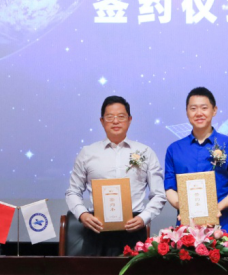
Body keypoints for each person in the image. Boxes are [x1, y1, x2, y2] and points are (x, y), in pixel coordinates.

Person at [65, 95, 166, 256]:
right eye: (110, 117)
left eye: (121, 116)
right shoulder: (87, 153)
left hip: (133, 228)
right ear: (102, 121)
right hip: (97, 229)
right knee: (94, 273)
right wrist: (82, 214)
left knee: (134, 273)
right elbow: (72, 192)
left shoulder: (145, 152)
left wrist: (144, 217)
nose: (116, 121)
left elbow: (159, 194)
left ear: (130, 119)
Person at [164, 87, 228, 236]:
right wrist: (184, 208)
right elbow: (170, 188)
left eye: (204, 108)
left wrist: (217, 208)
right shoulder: (174, 149)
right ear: (187, 112)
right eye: (193, 108)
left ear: (214, 110)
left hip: (220, 227)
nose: (199, 113)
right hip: (185, 230)